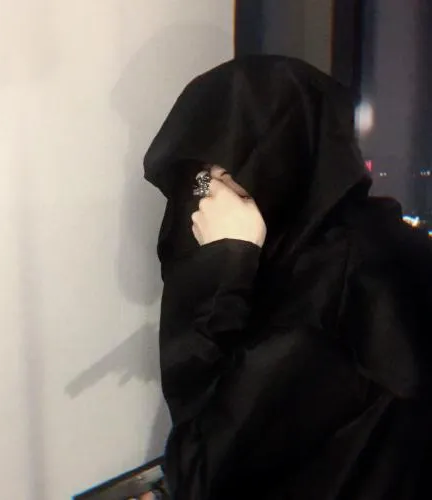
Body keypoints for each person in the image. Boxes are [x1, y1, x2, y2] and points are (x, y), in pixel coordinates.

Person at [143, 55, 432, 500]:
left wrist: (220, 269)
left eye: (226, 175)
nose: (204, 203)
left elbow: (200, 470)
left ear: (285, 157)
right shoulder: (377, 242)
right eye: (199, 183)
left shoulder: (328, 286)